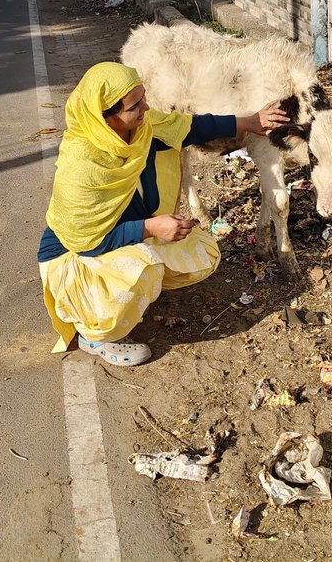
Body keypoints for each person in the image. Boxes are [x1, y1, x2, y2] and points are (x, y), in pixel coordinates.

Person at [39, 61, 289, 366]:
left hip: (117, 233)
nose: (146, 107)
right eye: (135, 106)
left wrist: (248, 123)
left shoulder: (140, 127)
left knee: (203, 251)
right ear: (106, 117)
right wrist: (150, 228)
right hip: (74, 258)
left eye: (143, 97)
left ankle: (131, 292)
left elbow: (187, 127)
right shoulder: (82, 165)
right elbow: (87, 241)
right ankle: (96, 333)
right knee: (144, 269)